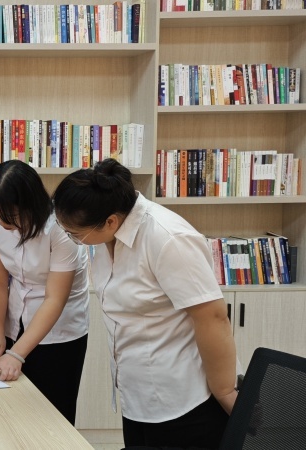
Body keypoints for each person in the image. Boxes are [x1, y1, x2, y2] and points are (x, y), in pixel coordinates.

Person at [52, 158, 237, 448]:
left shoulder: (168, 238)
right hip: (138, 395)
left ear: (110, 221)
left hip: (185, 398)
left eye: (75, 235)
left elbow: (212, 317)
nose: (73, 239)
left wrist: (225, 391)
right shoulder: (108, 236)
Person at [0, 160, 89, 425]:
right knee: (12, 411)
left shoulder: (61, 228)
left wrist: (16, 354)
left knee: (53, 415)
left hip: (59, 330)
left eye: (9, 216)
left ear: (30, 205)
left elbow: (55, 299)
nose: (1, 222)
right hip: (16, 318)